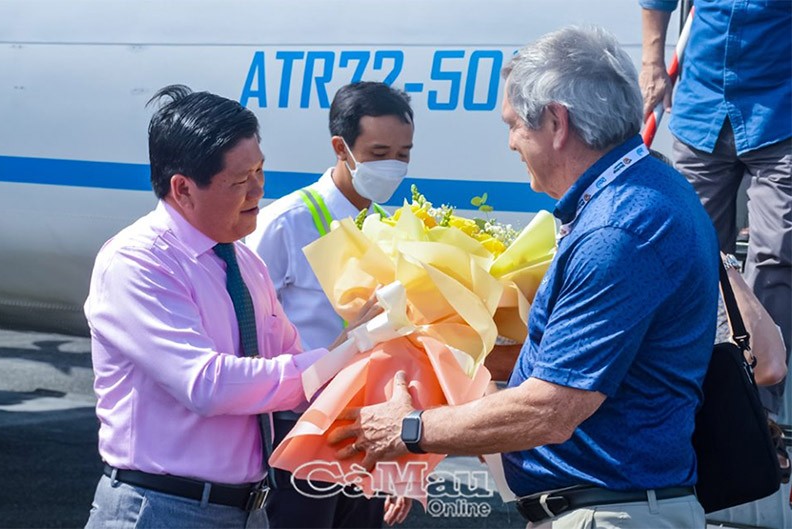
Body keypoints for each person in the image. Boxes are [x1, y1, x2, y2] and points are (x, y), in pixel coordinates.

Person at [328, 26, 720, 528]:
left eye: (514, 125)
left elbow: (551, 410)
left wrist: (409, 428)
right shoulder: (646, 196)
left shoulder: (619, 230)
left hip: (606, 512)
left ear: (556, 122)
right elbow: (578, 370)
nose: (511, 142)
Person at [83, 85, 365, 529]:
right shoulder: (137, 261)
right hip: (162, 508)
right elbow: (206, 384)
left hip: (248, 508)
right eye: (239, 180)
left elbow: (291, 363)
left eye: (260, 170)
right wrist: (344, 353)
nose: (258, 189)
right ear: (182, 189)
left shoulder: (243, 261)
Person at [245, 81, 413, 528]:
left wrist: (400, 468)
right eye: (379, 153)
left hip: (363, 428)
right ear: (342, 147)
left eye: (404, 153)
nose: (393, 166)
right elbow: (245, 329)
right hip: (301, 423)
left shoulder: (387, 225)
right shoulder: (286, 223)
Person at [639, 0, 792, 416]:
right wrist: (652, 61)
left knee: (777, 256)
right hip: (702, 107)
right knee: (689, 255)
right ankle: (686, 398)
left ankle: (756, 412)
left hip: (781, 111)